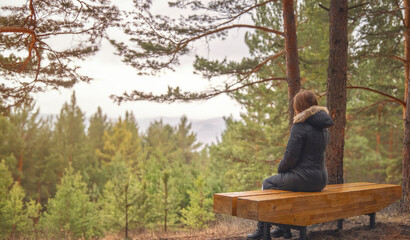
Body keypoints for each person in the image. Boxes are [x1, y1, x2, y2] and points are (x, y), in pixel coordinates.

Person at [247, 90, 334, 240]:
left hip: (304, 178)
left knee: (268, 183)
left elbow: (290, 157)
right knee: (285, 185)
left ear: (298, 106)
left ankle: (262, 229)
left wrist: (281, 170)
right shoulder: (323, 127)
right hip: (320, 179)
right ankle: (283, 229)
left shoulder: (300, 126)